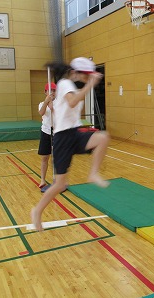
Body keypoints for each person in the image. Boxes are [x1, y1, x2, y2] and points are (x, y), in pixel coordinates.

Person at [31, 57, 110, 232]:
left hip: (74, 133)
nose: (87, 79)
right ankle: (37, 212)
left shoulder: (72, 86)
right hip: (62, 138)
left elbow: (72, 104)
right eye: (86, 75)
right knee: (60, 185)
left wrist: (88, 83)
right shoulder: (65, 83)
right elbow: (73, 102)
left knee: (103, 137)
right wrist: (91, 85)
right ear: (76, 73)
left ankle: (93, 174)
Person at [38, 82, 56, 190]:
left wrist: (53, 107)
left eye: (54, 90)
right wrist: (46, 102)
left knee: (58, 157)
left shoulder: (59, 103)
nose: (52, 92)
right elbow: (41, 113)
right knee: (45, 158)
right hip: (46, 132)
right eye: (50, 90)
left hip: (56, 132)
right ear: (45, 92)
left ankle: (58, 181)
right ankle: (42, 180)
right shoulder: (41, 103)